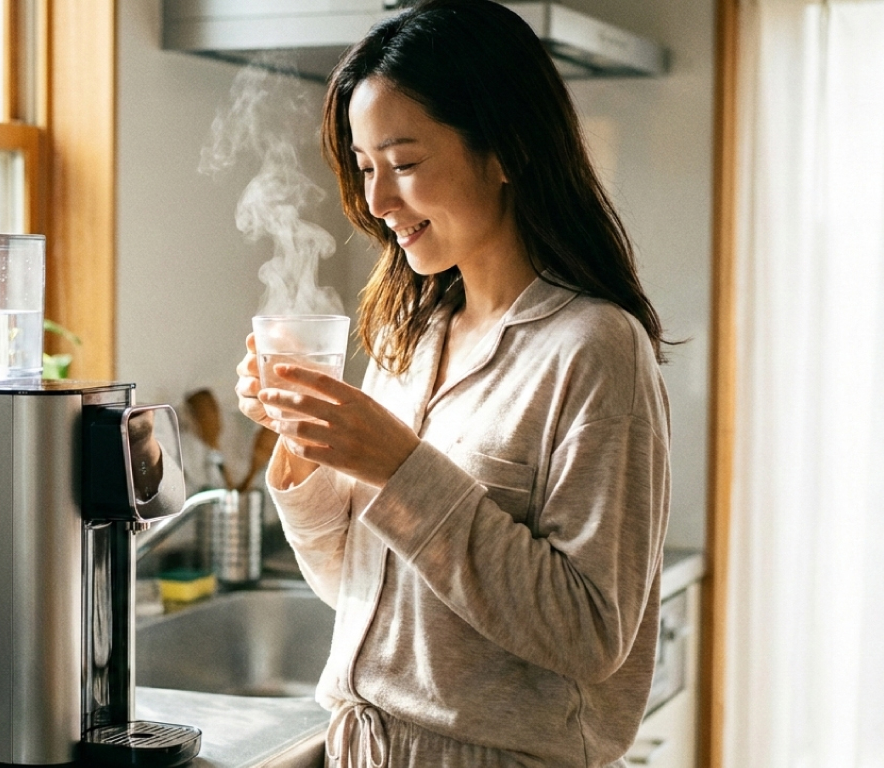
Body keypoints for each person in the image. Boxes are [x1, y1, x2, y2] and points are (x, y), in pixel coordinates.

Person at [233, 1, 672, 765]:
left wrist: (397, 467)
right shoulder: (410, 338)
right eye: (366, 169)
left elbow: (591, 633)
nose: (376, 203)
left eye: (403, 164)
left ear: (504, 148)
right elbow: (362, 594)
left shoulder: (594, 349)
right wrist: (305, 453)